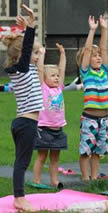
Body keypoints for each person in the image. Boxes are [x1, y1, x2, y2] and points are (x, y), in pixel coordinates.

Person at [2, 4, 43, 212]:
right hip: (26, 123)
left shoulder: (22, 71)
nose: (36, 56)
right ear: (21, 57)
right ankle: (19, 198)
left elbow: (29, 50)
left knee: (21, 161)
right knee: (22, 163)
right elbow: (27, 49)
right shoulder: (22, 69)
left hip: (24, 122)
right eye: (33, 54)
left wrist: (27, 30)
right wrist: (31, 25)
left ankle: (19, 196)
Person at [76, 15, 108, 181]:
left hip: (104, 119)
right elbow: (86, 51)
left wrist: (104, 29)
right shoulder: (86, 72)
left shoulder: (104, 71)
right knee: (86, 151)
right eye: (95, 55)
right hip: (90, 119)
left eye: (99, 55)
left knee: (98, 152)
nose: (98, 57)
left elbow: (105, 50)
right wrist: (92, 30)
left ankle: (94, 178)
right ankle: (85, 179)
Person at [33, 43, 67, 189]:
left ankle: (54, 181)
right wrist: (41, 54)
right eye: (52, 76)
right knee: (41, 157)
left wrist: (63, 53)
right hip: (44, 129)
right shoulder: (43, 88)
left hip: (58, 130)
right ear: (45, 78)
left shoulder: (59, 88)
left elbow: (62, 69)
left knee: (55, 158)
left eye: (57, 76)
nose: (56, 78)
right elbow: (40, 69)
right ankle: (36, 180)